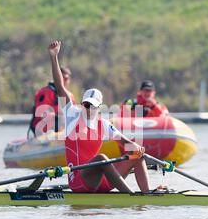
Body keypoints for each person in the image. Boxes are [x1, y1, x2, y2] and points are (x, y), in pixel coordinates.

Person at [49, 40, 151, 194]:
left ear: (99, 106)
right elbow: (60, 87)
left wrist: (136, 148)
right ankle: (131, 196)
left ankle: (147, 196)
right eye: (86, 104)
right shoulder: (73, 115)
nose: (88, 108)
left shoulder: (103, 124)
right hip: (79, 180)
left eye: (92, 105)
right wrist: (54, 56)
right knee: (102, 158)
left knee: (136, 156)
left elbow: (125, 142)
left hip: (101, 181)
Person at [28, 67, 76, 137]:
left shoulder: (70, 96)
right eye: (61, 78)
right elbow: (42, 113)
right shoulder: (46, 92)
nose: (64, 81)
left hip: (62, 132)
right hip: (44, 131)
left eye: (66, 79)